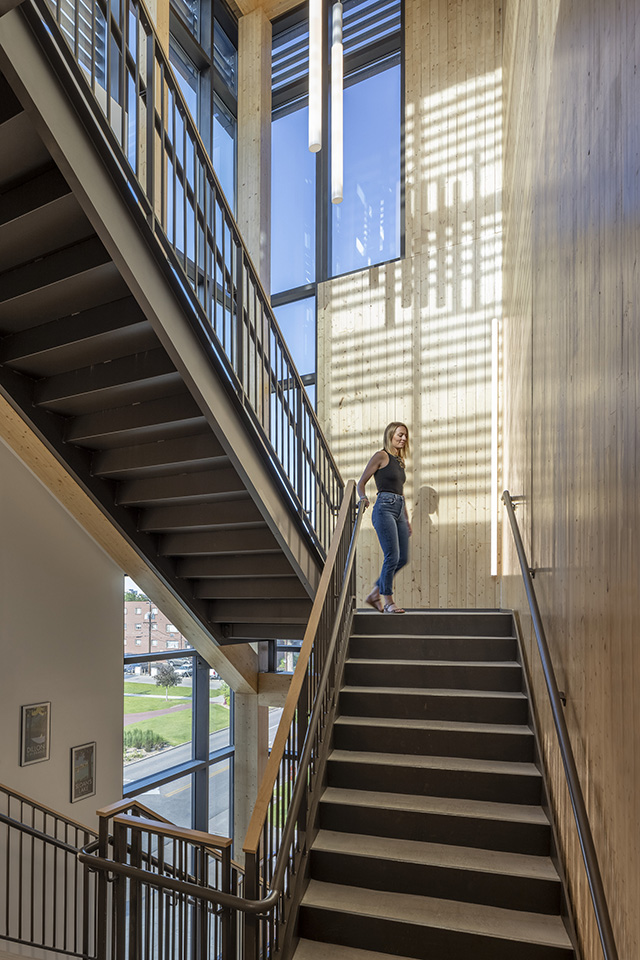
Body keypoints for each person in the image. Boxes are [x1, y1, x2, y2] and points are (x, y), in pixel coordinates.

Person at [357, 422, 411, 614]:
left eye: (405, 436)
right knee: (392, 556)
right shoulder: (381, 456)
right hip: (384, 508)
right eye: (400, 435)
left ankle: (374, 594)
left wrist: (406, 518)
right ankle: (388, 600)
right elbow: (361, 482)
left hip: (399, 510)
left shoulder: (399, 462)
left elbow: (401, 492)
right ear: (390, 435)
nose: (404, 439)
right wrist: (363, 497)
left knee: (402, 557)